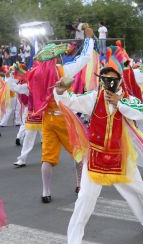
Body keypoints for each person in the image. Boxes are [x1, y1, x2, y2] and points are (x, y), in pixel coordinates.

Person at [54, 63, 143, 244]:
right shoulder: (93, 97)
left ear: (120, 80)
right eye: (104, 79)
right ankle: (74, 243)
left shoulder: (129, 99)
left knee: (140, 190)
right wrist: (60, 90)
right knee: (85, 198)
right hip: (95, 157)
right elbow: (70, 101)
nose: (108, 83)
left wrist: (120, 102)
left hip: (120, 156)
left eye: (112, 79)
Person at [27, 28, 95, 203]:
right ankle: (80, 185)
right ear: (56, 57)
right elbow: (85, 58)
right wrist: (89, 39)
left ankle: (45, 192)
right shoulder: (62, 71)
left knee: (47, 157)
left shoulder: (35, 74)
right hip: (64, 118)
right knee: (79, 150)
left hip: (47, 119)